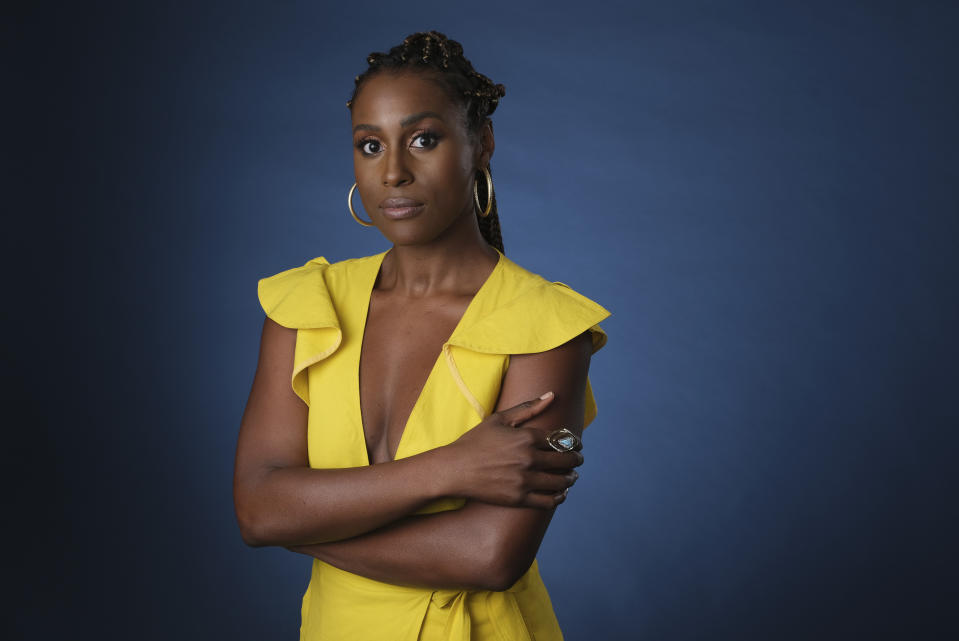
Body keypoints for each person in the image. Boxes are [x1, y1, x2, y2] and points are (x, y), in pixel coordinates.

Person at [233, 30, 610, 640]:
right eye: (370, 145)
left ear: (481, 144)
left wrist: (303, 525)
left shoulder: (550, 330)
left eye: (423, 140)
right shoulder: (303, 306)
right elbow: (256, 510)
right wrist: (449, 469)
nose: (394, 173)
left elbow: (491, 556)